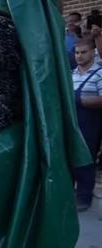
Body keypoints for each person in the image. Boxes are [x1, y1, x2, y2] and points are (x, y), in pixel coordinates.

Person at [72, 40, 102, 212]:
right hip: (72, 123)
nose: (79, 56)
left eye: (83, 52)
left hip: (90, 124)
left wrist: (80, 101)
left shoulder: (99, 74)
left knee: (85, 159)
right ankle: (68, 194)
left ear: (92, 53)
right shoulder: (70, 74)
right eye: (77, 53)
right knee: (69, 159)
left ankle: (84, 197)